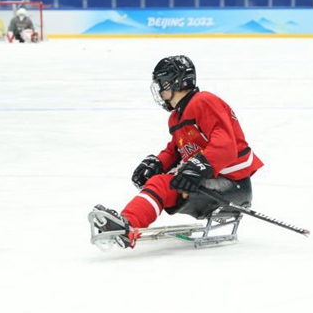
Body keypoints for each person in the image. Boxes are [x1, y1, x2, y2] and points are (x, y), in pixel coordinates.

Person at [90, 55, 264, 249]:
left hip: (233, 182)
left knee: (163, 184)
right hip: (214, 178)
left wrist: (199, 166)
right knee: (163, 180)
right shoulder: (177, 116)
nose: (160, 92)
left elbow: (225, 144)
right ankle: (126, 223)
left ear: (173, 82)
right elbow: (177, 149)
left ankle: (127, 224)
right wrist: (158, 164)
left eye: (161, 85)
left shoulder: (203, 101)